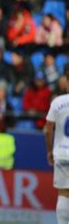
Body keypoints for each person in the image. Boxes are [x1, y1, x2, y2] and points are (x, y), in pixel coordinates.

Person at [45, 71, 69, 224]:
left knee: (63, 193)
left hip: (61, 152)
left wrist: (49, 151)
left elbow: (48, 129)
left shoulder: (57, 102)